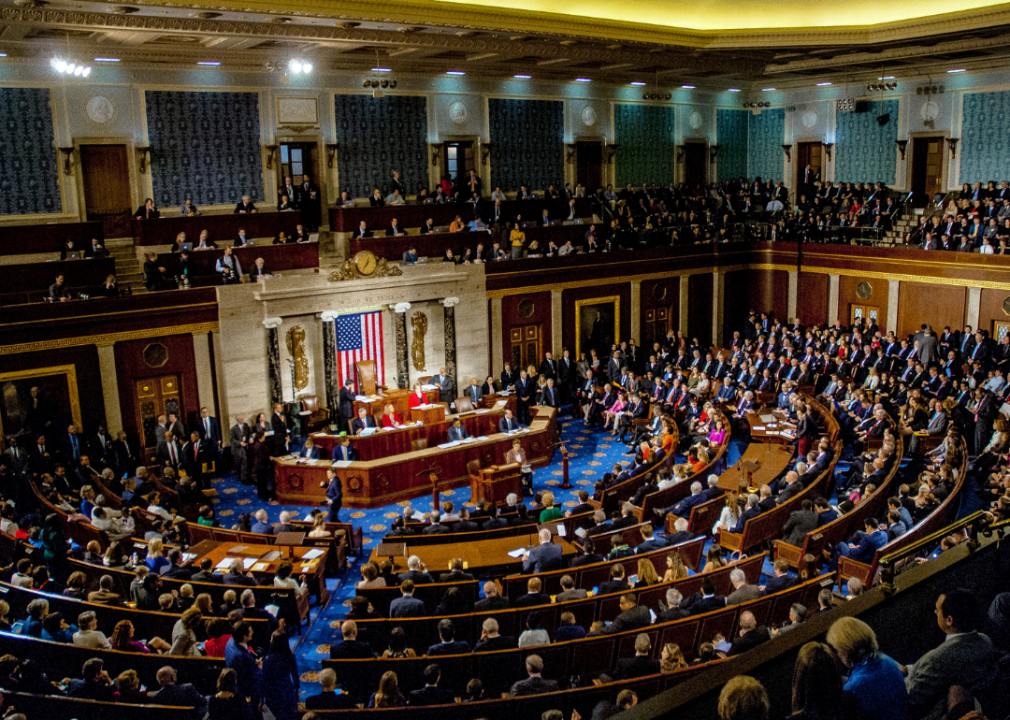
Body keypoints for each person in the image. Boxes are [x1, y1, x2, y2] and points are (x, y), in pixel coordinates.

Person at [902, 589, 999, 718]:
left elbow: (912, 701)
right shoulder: (985, 641)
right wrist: (908, 669)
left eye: (937, 609)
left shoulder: (935, 659)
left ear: (949, 620)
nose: (935, 612)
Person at [826, 616, 908, 720]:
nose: (837, 655)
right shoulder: (887, 661)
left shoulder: (852, 690)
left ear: (845, 649)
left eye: (837, 650)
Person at [261, 630, 300, 720]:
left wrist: (262, 699)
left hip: (273, 694)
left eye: (271, 638)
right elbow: (295, 675)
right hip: (287, 691)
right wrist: (297, 691)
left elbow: (264, 681)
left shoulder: (267, 661)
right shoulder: (290, 657)